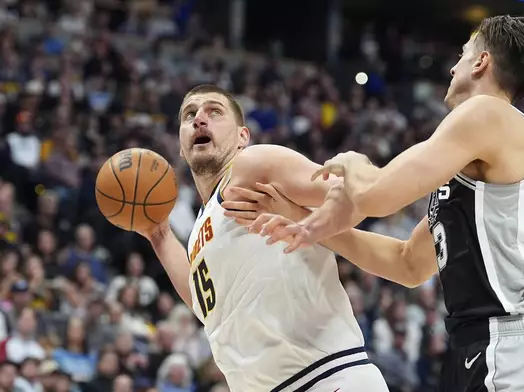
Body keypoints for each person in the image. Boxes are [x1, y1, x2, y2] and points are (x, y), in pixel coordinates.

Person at [248, 15, 524, 392]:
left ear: (482, 61)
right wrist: (304, 222)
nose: (453, 66)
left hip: (511, 349)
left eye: (463, 54)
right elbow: (407, 263)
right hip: (479, 349)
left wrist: (356, 161)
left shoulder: (487, 113)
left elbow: (376, 195)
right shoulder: (478, 156)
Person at [137, 84, 391, 392]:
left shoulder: (251, 165)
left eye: (214, 111)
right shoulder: (197, 233)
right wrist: (158, 234)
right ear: (180, 144)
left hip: (327, 375)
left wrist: (305, 222)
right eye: (189, 115)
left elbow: (356, 194)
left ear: (243, 137)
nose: (199, 119)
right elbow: (210, 311)